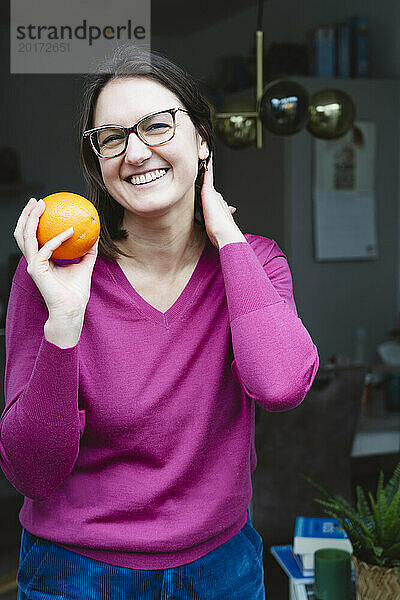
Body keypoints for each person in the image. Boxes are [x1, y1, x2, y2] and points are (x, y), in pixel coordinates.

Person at [0, 45, 319, 599]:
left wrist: (225, 235)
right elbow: (32, 472)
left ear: (200, 139)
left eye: (157, 125)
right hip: (75, 575)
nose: (137, 152)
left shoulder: (255, 262)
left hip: (221, 569)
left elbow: (281, 385)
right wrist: (65, 321)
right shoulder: (52, 276)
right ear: (97, 161)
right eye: (114, 137)